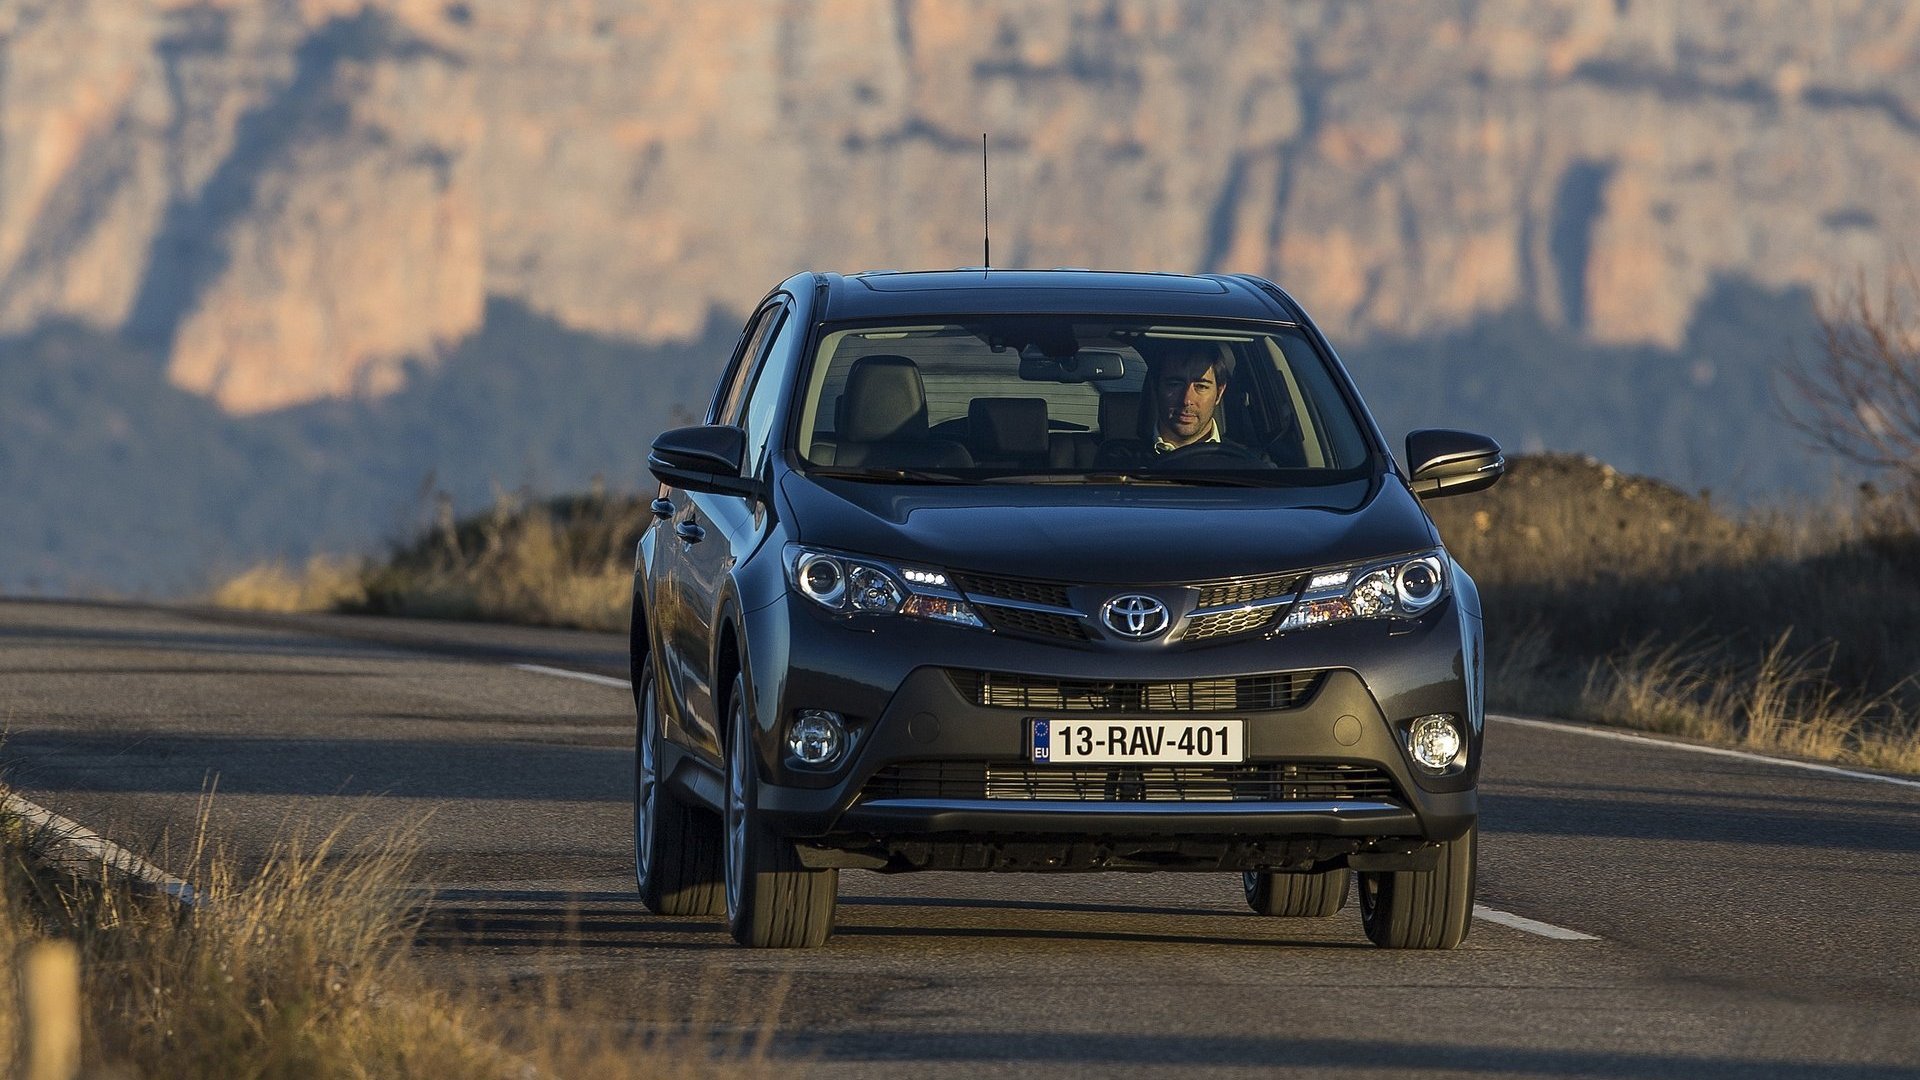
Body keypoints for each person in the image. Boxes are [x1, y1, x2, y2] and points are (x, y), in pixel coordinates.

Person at [1149, 340, 1235, 453]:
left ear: (1219, 393)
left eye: (1201, 386)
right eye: (1175, 385)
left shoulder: (1248, 464)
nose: (1187, 400)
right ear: (1156, 388)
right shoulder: (1123, 462)